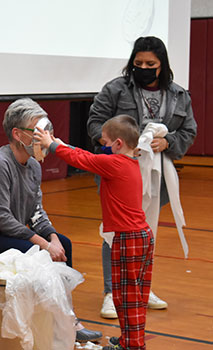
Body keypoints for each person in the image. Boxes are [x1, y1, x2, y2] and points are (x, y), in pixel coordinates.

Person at [0, 97, 102, 343]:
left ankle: (65, 320)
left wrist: (52, 237)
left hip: (9, 233)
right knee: (37, 252)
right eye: (39, 130)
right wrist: (43, 244)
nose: (47, 136)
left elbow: (36, 212)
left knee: (64, 244)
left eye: (48, 130)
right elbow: (2, 219)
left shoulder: (33, 166)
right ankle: (54, 323)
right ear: (18, 134)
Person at [87, 36, 197, 319]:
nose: (144, 68)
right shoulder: (114, 89)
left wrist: (169, 142)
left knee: (146, 231)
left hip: (158, 172)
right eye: (138, 63)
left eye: (151, 64)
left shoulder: (178, 94)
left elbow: (188, 131)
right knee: (116, 231)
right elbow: (95, 124)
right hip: (119, 171)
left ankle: (140, 288)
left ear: (163, 66)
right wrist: (120, 144)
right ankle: (112, 292)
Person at [35, 114, 154, 350]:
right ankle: (131, 339)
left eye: (105, 143)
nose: (103, 148)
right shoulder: (130, 162)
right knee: (135, 295)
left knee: (126, 296)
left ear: (118, 144)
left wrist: (53, 146)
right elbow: (84, 154)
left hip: (128, 238)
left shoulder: (114, 163)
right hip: (141, 236)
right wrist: (59, 143)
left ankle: (132, 345)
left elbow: (83, 159)